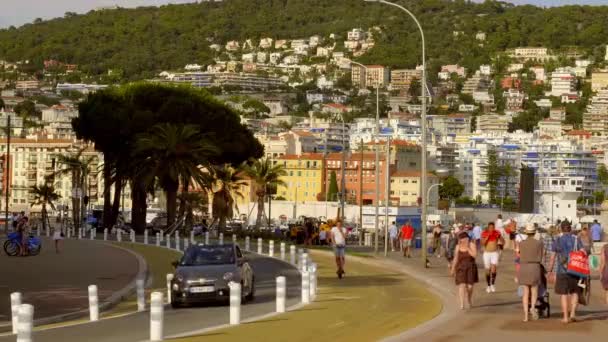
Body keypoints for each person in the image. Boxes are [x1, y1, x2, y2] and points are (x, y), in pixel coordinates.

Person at [548, 221, 584, 323]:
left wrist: (549, 271)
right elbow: (583, 252)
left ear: (561, 229)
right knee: (575, 292)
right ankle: (572, 314)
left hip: (562, 270)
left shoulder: (557, 240)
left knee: (564, 294)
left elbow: (552, 257)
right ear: (570, 228)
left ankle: (565, 317)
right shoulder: (576, 239)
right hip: (575, 270)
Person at [518, 223, 544, 322]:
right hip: (535, 266)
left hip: (524, 266)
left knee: (525, 292)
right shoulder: (539, 243)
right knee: (534, 290)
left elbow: (519, 255)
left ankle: (525, 315)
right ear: (534, 232)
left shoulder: (521, 243)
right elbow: (541, 256)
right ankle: (532, 307)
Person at [451, 231, 478, 310]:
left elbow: (474, 255)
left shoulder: (471, 245)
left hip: (471, 267)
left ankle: (469, 299)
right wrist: (453, 268)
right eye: (462, 239)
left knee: (470, 287)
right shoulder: (457, 247)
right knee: (462, 285)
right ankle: (462, 303)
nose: (464, 240)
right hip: (460, 268)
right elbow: (455, 258)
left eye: (466, 238)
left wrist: (467, 248)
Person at [481, 222, 504, 293]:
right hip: (486, 253)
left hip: (494, 253)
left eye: (493, 227)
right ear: (488, 227)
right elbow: (482, 243)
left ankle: (492, 284)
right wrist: (487, 237)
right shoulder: (484, 233)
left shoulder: (497, 233)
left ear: (494, 227)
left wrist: (500, 244)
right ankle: (488, 285)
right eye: (490, 227)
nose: (491, 229)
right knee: (487, 270)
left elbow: (503, 241)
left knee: (494, 269)